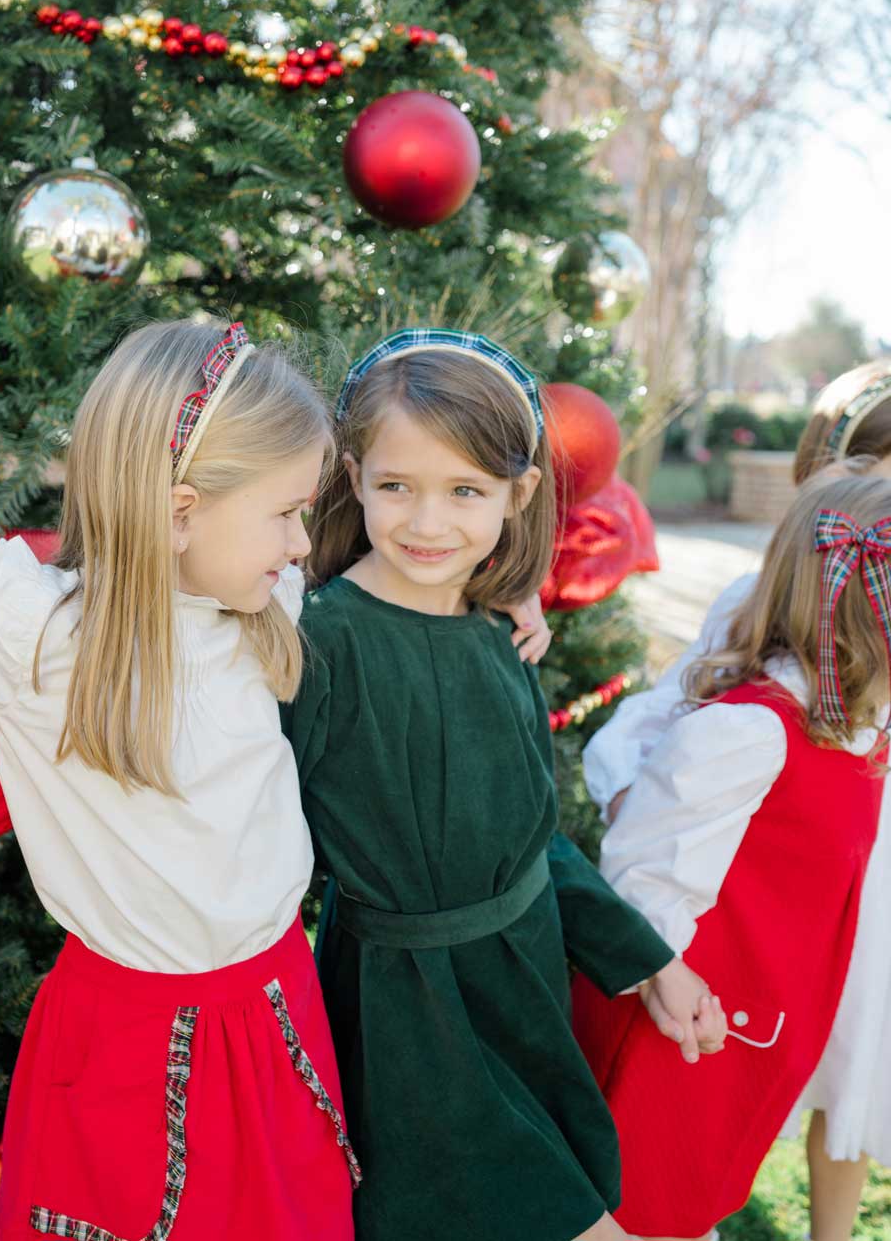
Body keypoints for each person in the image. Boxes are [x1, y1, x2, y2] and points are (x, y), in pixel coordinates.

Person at [0, 318, 357, 1241]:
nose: (304, 543)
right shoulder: (35, 633)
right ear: (180, 510)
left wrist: (503, 585)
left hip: (275, 1010)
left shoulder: (257, 604)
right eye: (284, 513)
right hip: (123, 1046)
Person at [283, 328, 725, 1241]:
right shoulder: (319, 643)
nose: (428, 523)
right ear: (354, 476)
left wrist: (647, 963)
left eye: (466, 492)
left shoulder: (497, 636)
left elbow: (538, 842)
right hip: (410, 1018)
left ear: (519, 495)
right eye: (396, 486)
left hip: (521, 987)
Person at [583, 359, 891, 1241]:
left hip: (760, 1026)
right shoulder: (754, 732)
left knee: (703, 1180)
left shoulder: (862, 729)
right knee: (646, 1189)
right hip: (685, 1026)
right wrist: (666, 978)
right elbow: (645, 873)